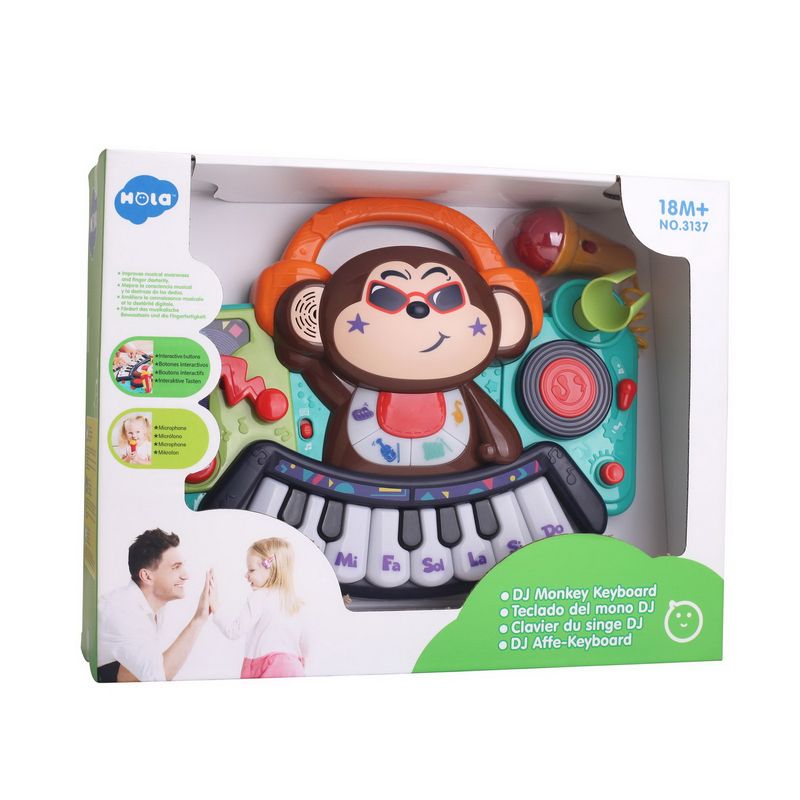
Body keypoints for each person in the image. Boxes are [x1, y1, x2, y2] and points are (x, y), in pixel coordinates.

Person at [97, 529, 212, 682]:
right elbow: (156, 678)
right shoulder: (124, 611)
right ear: (147, 576)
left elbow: (144, 668)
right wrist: (199, 619)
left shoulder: (152, 607)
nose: (186, 575)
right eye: (176, 567)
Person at [212, 537, 308, 678]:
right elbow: (305, 644)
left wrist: (215, 608)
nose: (246, 575)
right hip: (295, 667)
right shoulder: (295, 602)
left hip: (266, 667)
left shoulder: (259, 597)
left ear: (271, 570)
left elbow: (234, 631)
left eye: (251, 570)